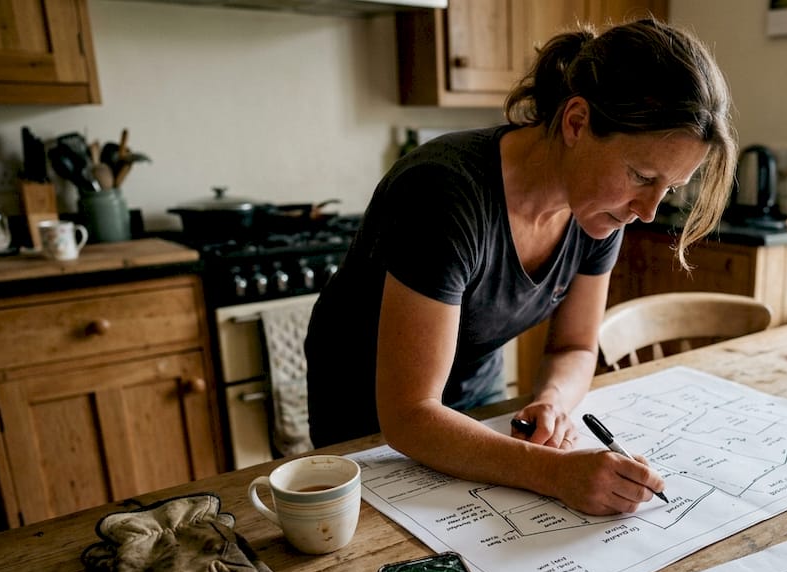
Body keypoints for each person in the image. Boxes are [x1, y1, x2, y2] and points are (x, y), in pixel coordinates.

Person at [305, 18, 736, 516]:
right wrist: (554, 473)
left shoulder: (599, 211)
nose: (648, 210)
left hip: (471, 393)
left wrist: (554, 401)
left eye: (671, 188)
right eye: (641, 176)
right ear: (577, 122)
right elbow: (407, 416)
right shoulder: (443, 192)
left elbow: (575, 346)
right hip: (367, 414)